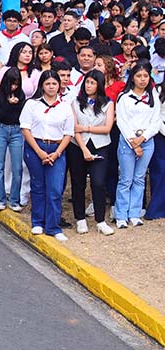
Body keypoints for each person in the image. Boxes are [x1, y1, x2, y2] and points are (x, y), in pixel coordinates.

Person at [20, 70, 76, 240]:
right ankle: (38, 222)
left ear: (59, 85)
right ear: (42, 86)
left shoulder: (65, 106)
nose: (51, 87)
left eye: (54, 83)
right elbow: (25, 128)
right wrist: (39, 151)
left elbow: (68, 132)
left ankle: (53, 226)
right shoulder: (32, 104)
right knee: (38, 186)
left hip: (56, 148)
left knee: (55, 188)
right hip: (35, 146)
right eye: (48, 84)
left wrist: (57, 153)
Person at [113, 61, 158, 229]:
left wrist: (143, 138)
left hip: (147, 141)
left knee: (139, 178)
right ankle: (121, 215)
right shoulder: (124, 98)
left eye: (145, 76)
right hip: (128, 142)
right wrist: (134, 142)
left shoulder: (152, 96)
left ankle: (135, 213)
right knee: (125, 179)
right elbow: (122, 122)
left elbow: (155, 121)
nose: (142, 79)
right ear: (132, 78)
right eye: (139, 76)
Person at [70, 70, 115, 235]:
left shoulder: (108, 104)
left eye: (93, 83)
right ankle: (80, 218)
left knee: (98, 183)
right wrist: (83, 148)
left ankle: (100, 220)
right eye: (87, 82)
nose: (89, 86)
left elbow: (107, 128)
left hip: (100, 145)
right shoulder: (75, 102)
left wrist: (87, 128)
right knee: (78, 182)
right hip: (78, 145)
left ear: (99, 85)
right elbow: (74, 128)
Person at [0, 67, 26, 212]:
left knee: (17, 168)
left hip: (17, 130)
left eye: (17, 84)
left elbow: (20, 116)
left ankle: (14, 200)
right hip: (0, 129)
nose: (14, 87)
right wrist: (10, 104)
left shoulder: (21, 95)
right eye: (11, 84)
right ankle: (0, 199)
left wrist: (16, 104)